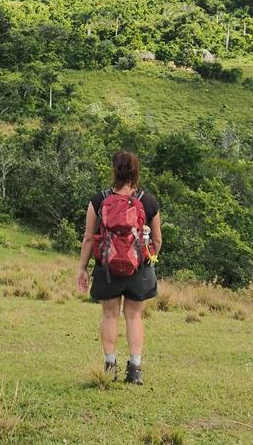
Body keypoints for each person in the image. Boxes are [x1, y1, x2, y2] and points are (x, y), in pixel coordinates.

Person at [76, 150, 162, 385]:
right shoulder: (148, 200)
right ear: (136, 171)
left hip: (107, 268)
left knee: (110, 315)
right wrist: (146, 260)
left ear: (114, 171)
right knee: (134, 316)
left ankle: (109, 366)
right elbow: (158, 240)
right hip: (139, 268)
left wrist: (82, 268)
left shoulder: (98, 200)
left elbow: (89, 238)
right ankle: (135, 369)